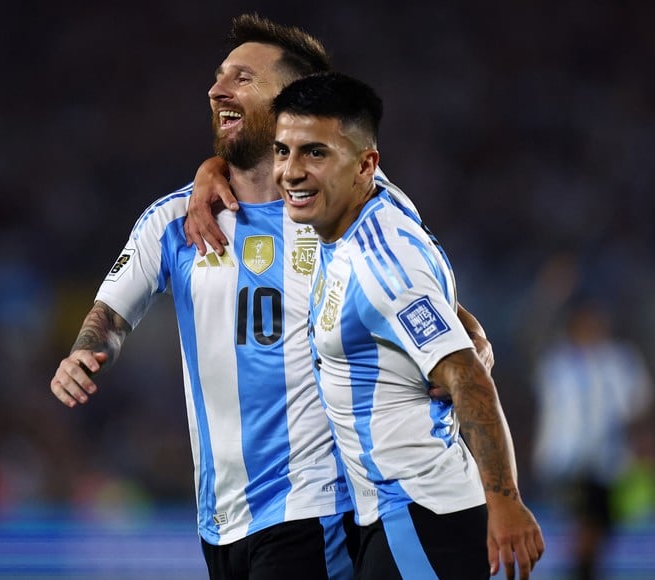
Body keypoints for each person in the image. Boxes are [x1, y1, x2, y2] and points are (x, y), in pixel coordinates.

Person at [51, 14, 492, 580]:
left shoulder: (348, 208)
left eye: (241, 78)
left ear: (289, 103)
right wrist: (87, 350)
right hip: (221, 517)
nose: (216, 89)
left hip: (314, 506)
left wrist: (467, 329)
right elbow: (111, 313)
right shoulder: (173, 220)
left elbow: (410, 281)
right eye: (218, 77)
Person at [270, 71, 545, 579]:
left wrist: (505, 503)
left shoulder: (378, 265)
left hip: (421, 514)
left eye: (314, 153)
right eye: (282, 151)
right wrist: (464, 320)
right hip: (402, 514)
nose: (290, 171)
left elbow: (466, 375)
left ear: (365, 165)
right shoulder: (374, 203)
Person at [532, 297, 655, 580]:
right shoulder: (558, 362)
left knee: (601, 529)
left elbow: (639, 407)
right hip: (567, 460)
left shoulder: (620, 360)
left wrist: (646, 448)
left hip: (610, 461)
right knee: (585, 524)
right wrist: (550, 293)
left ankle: (584, 571)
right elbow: (532, 335)